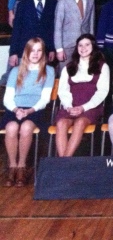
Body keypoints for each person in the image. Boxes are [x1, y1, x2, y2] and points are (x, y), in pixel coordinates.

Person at [1, 38, 55, 187]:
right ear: (26, 52)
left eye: (39, 50)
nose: (35, 54)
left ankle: (22, 167)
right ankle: (12, 167)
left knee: (25, 128)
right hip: (16, 108)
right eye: (32, 50)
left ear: (43, 53)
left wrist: (29, 110)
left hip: (36, 110)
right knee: (11, 127)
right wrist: (16, 109)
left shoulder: (48, 71)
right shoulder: (16, 70)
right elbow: (7, 98)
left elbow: (45, 99)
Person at [55, 34, 109, 157]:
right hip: (71, 106)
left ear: (93, 47)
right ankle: (65, 164)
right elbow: (63, 90)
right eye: (80, 45)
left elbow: (102, 92)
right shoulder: (68, 67)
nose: (83, 48)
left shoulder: (102, 66)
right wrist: (68, 106)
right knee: (61, 123)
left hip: (90, 107)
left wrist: (83, 107)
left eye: (87, 44)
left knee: (79, 123)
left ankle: (62, 164)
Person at [9, 0, 57, 68]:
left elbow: (52, 29)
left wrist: (52, 49)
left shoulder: (53, 3)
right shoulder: (22, 4)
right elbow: (17, 29)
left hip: (44, 50)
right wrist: (13, 52)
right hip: (24, 48)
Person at [54, 0, 95, 72]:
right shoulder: (63, 2)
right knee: (65, 74)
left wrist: (92, 44)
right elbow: (57, 27)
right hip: (67, 46)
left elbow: (91, 25)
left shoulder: (90, 1)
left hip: (85, 46)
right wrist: (59, 49)